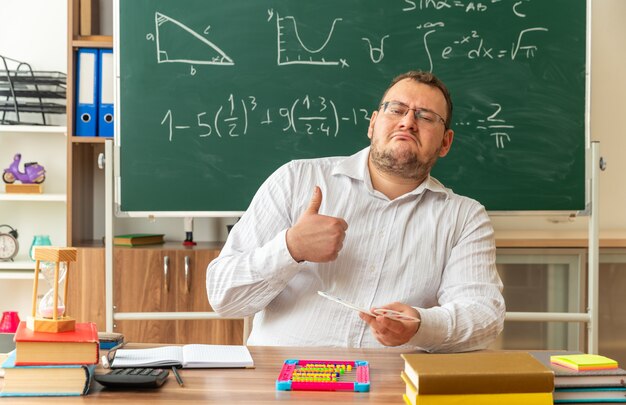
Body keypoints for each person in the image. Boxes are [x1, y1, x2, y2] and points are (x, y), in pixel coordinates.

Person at [206, 70, 505, 352]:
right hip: (280, 381)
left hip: (392, 388)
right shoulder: (296, 180)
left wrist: (420, 326)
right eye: (397, 109)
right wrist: (290, 248)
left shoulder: (465, 218)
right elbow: (224, 297)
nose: (408, 122)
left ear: (445, 143)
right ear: (373, 124)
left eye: (426, 116)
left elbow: (483, 316)